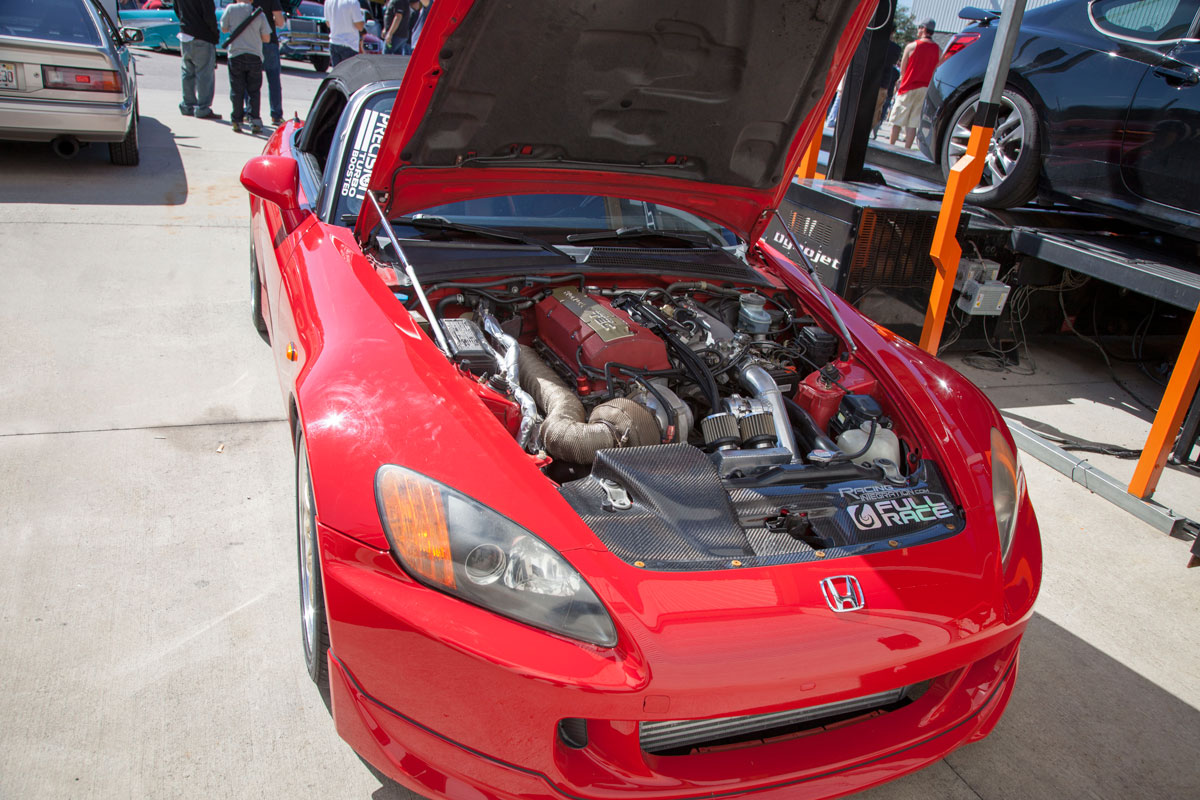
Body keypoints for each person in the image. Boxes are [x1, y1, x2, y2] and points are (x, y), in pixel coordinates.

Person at [888, 19, 940, 149]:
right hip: (925, 89)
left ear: (923, 29)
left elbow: (903, 70)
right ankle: (907, 149)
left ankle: (890, 147)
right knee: (913, 124)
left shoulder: (912, 46)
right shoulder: (938, 50)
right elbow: (936, 70)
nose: (918, 30)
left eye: (919, 27)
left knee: (897, 120)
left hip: (908, 86)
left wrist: (901, 81)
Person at [221, 0, 272, 134]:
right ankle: (255, 120)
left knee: (236, 90)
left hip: (236, 54)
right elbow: (266, 38)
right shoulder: (259, 13)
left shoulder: (230, 9)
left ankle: (236, 121)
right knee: (254, 91)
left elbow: (224, 29)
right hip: (254, 55)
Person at [176, 0, 222, 119]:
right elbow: (209, 14)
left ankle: (188, 105)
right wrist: (215, 33)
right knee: (204, 74)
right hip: (202, 35)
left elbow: (176, 8)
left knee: (187, 71)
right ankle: (203, 108)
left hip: (185, 33)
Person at [252, 0, 286, 126]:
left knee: (250, 79)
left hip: (252, 41)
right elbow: (280, 22)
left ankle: (248, 112)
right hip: (269, 41)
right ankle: (276, 115)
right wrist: (271, 20)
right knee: (273, 80)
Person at [324, 0, 365, 66]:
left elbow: (328, 23)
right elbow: (360, 26)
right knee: (349, 72)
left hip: (334, 42)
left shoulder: (328, 1)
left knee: (337, 71)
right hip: (349, 44)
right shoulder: (353, 2)